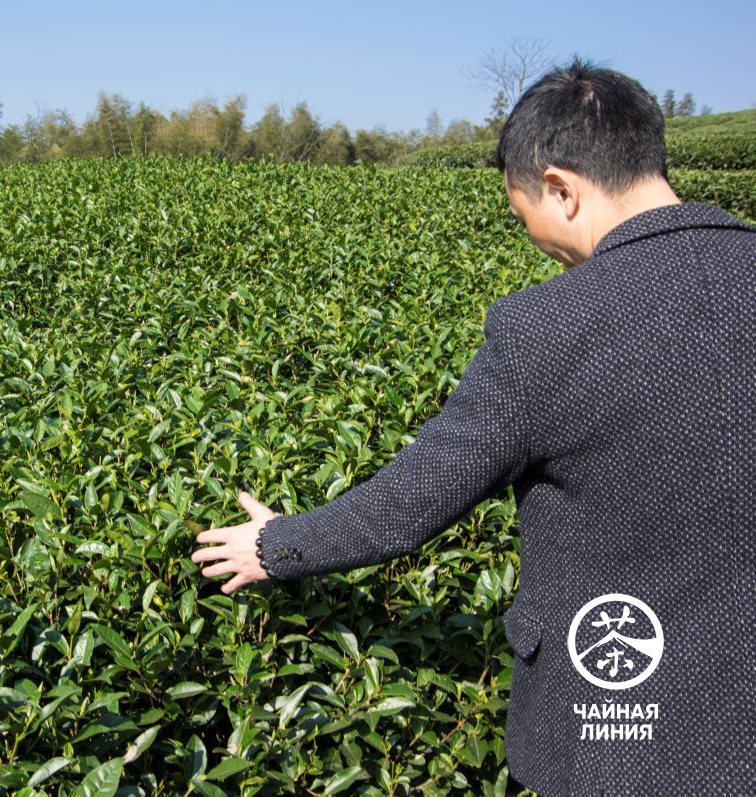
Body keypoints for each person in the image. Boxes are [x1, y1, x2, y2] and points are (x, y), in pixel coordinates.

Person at [190, 56, 755, 795]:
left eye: (525, 215)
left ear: (560, 187)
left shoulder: (544, 330)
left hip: (617, 738)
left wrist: (276, 545)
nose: (538, 243)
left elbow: (411, 502)